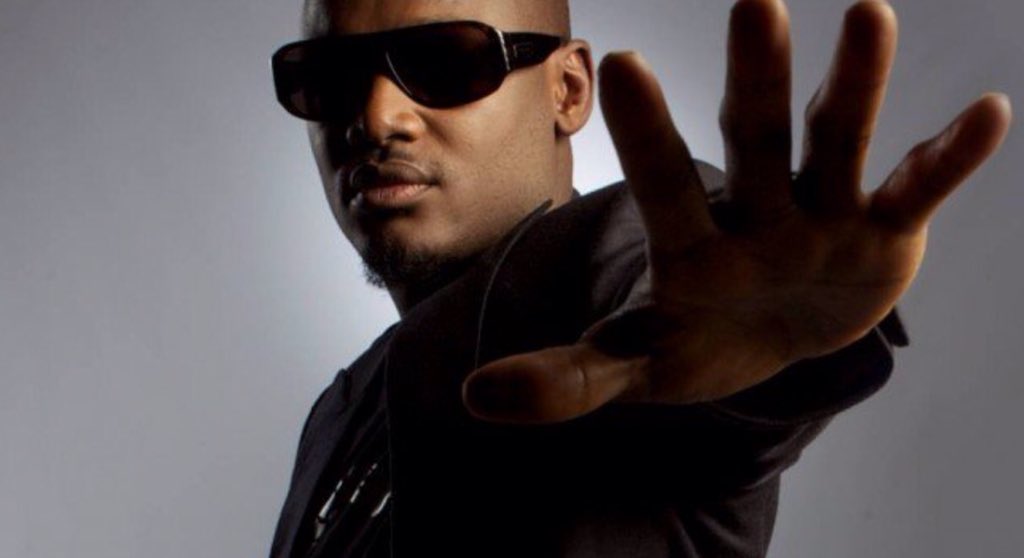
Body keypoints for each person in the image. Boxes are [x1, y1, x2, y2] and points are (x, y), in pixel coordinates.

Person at [267, 0, 1012, 556]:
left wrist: (760, 344)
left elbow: (676, 307)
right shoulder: (340, 408)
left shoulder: (612, 259)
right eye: (328, 78)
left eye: (444, 63)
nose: (376, 116)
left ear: (567, 91)